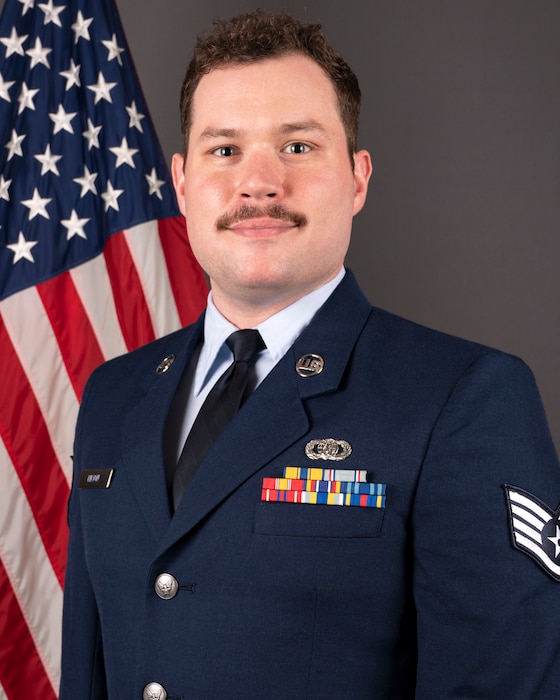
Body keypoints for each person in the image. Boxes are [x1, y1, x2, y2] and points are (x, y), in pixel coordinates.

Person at [60, 10, 560, 699]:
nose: (258, 183)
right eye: (224, 150)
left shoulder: (463, 399)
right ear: (181, 183)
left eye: (297, 147)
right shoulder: (114, 396)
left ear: (357, 178)